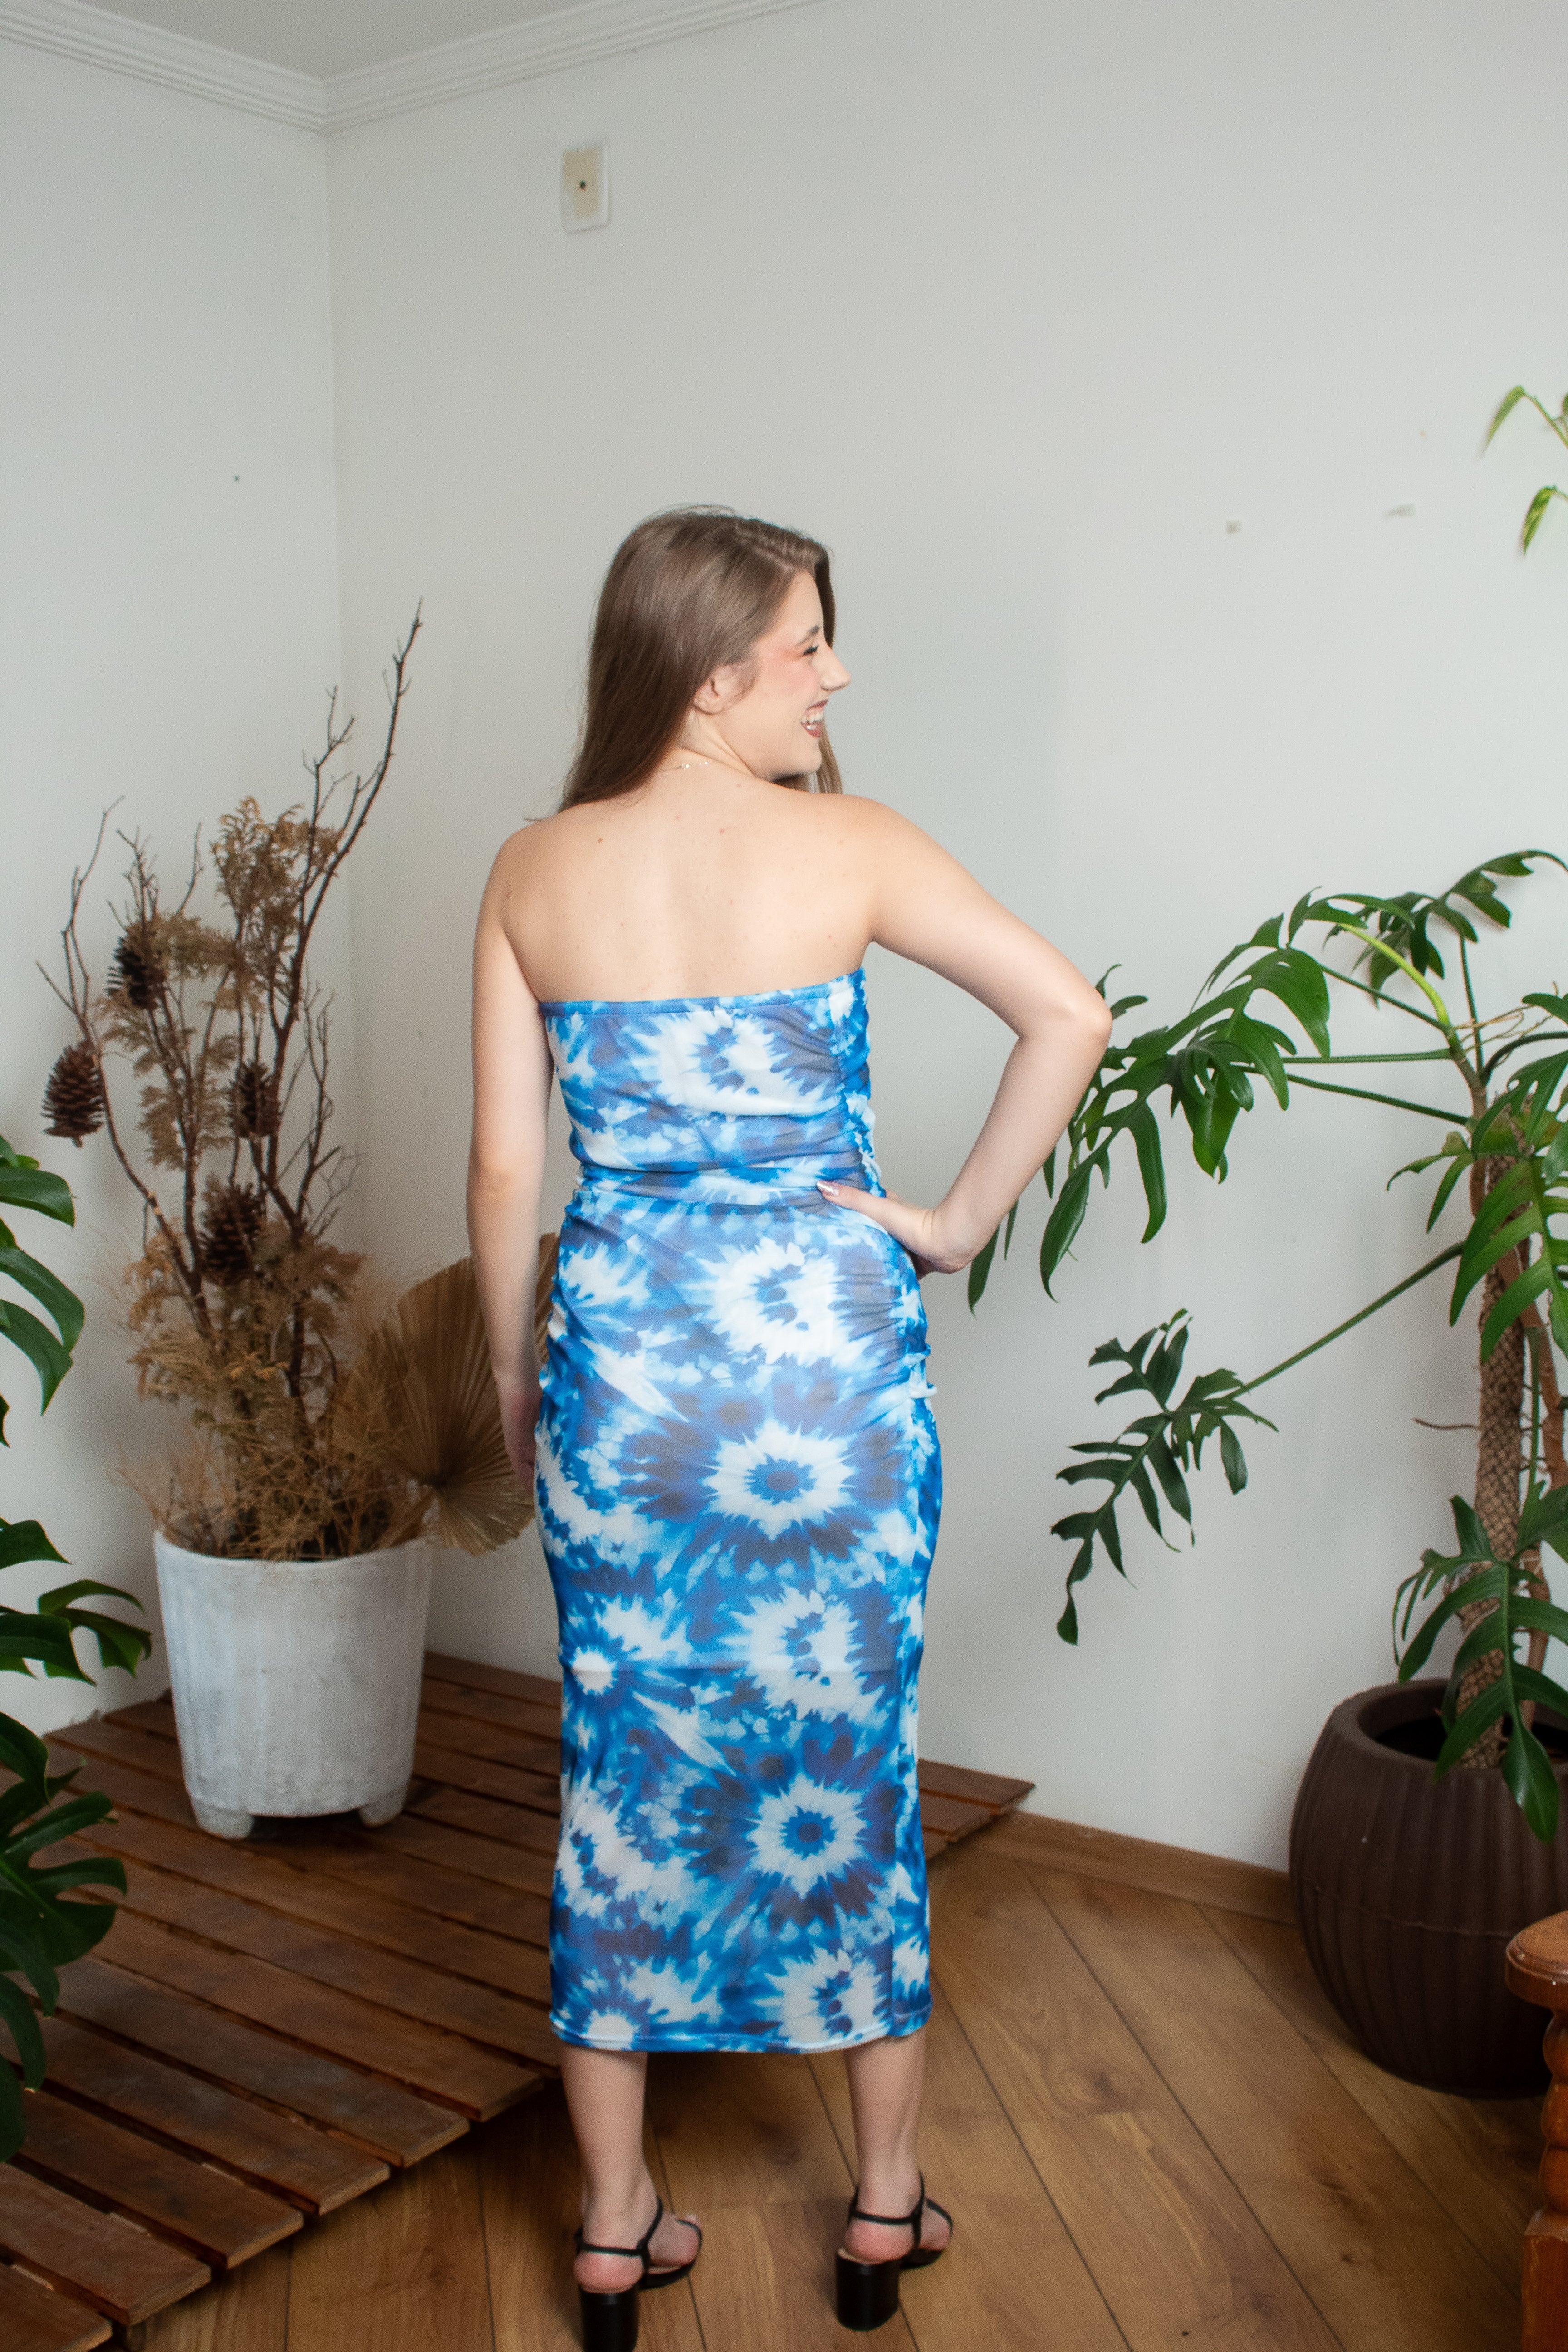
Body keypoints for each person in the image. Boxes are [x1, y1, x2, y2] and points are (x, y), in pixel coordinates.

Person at [468, 508, 1111, 2346]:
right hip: (825, 1374)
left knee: (621, 1778)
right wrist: (950, 1226)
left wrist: (515, 1382)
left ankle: (613, 2227)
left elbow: (507, 1170)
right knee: (852, 1761)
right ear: (707, 669)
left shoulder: (532, 869)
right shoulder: (853, 845)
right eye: (808, 642)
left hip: (627, 1375)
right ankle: (884, 2208)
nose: (837, 673)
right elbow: (1069, 1015)